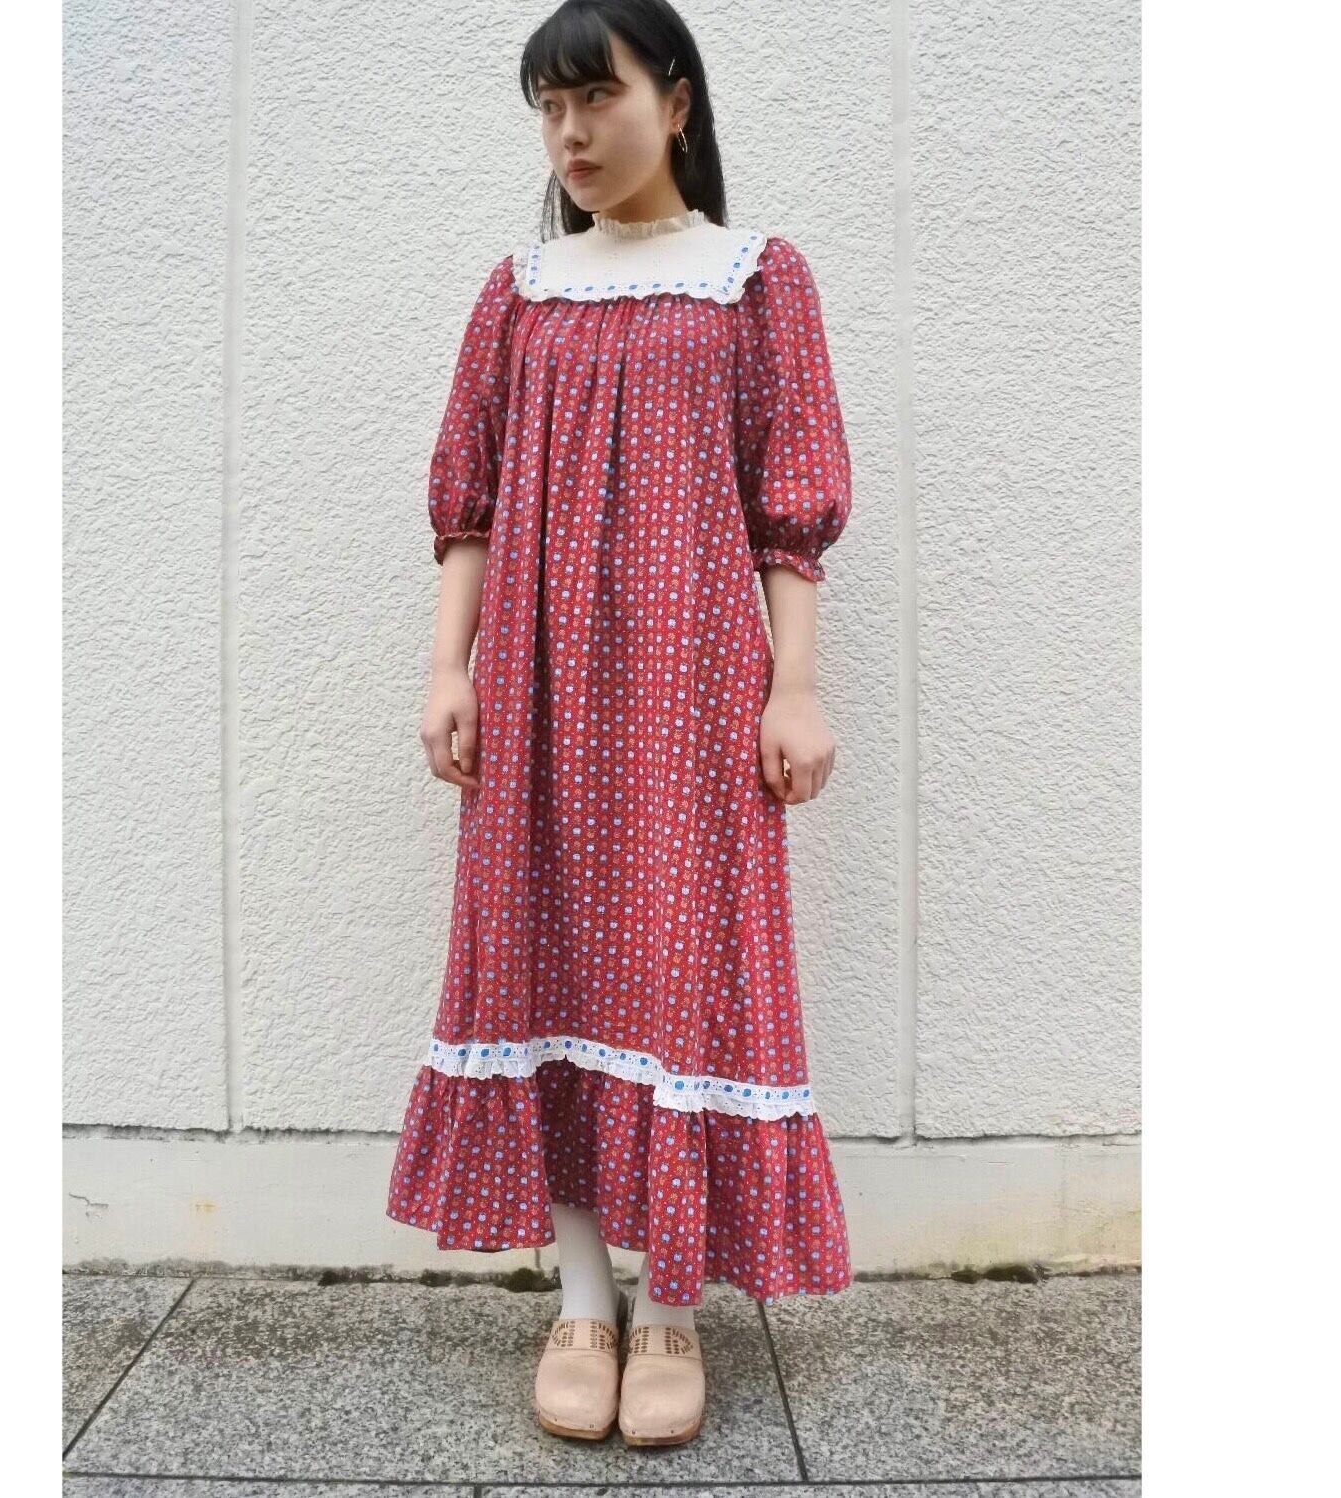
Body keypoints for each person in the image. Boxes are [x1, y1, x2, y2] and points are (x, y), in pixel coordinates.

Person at [385, 0, 855, 1448]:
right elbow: (468, 498)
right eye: (547, 106)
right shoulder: (521, 291)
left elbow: (789, 506)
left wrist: (793, 684)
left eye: (596, 96)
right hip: (536, 689)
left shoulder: (753, 280)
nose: (571, 132)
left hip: (692, 685)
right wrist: (449, 666)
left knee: (686, 970)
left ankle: (670, 1307)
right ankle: (582, 1296)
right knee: (541, 957)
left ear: (678, 101)